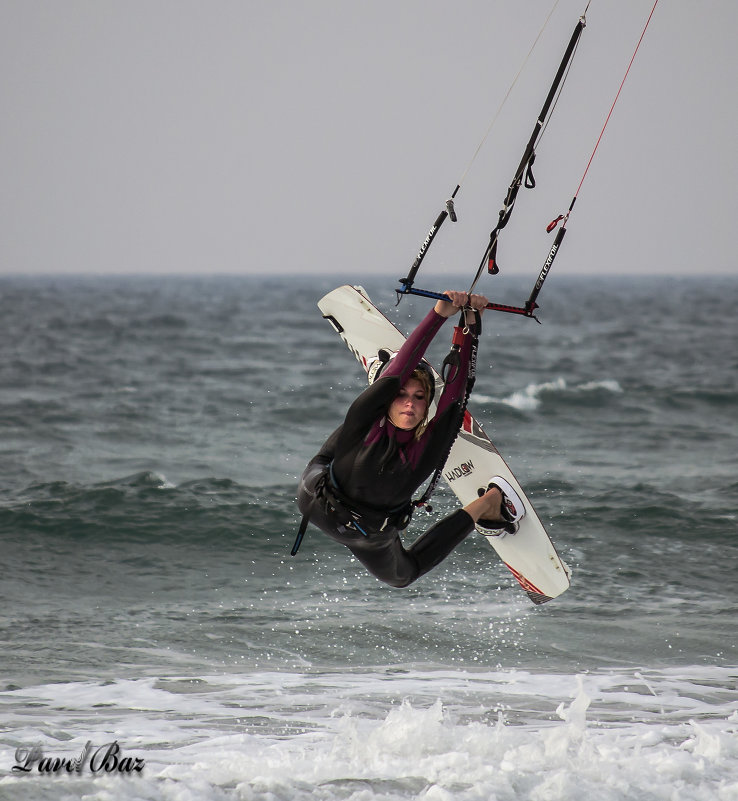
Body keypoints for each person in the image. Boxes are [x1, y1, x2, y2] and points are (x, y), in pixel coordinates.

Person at [296, 290, 523, 588]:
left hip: (368, 531)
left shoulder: (427, 448)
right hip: (317, 495)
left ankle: (488, 505)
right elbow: (397, 384)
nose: (410, 403)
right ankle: (388, 373)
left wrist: (468, 326)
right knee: (368, 409)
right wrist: (439, 315)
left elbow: (456, 396)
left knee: (403, 576)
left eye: (419, 397)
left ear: (427, 404)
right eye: (402, 396)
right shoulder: (363, 422)